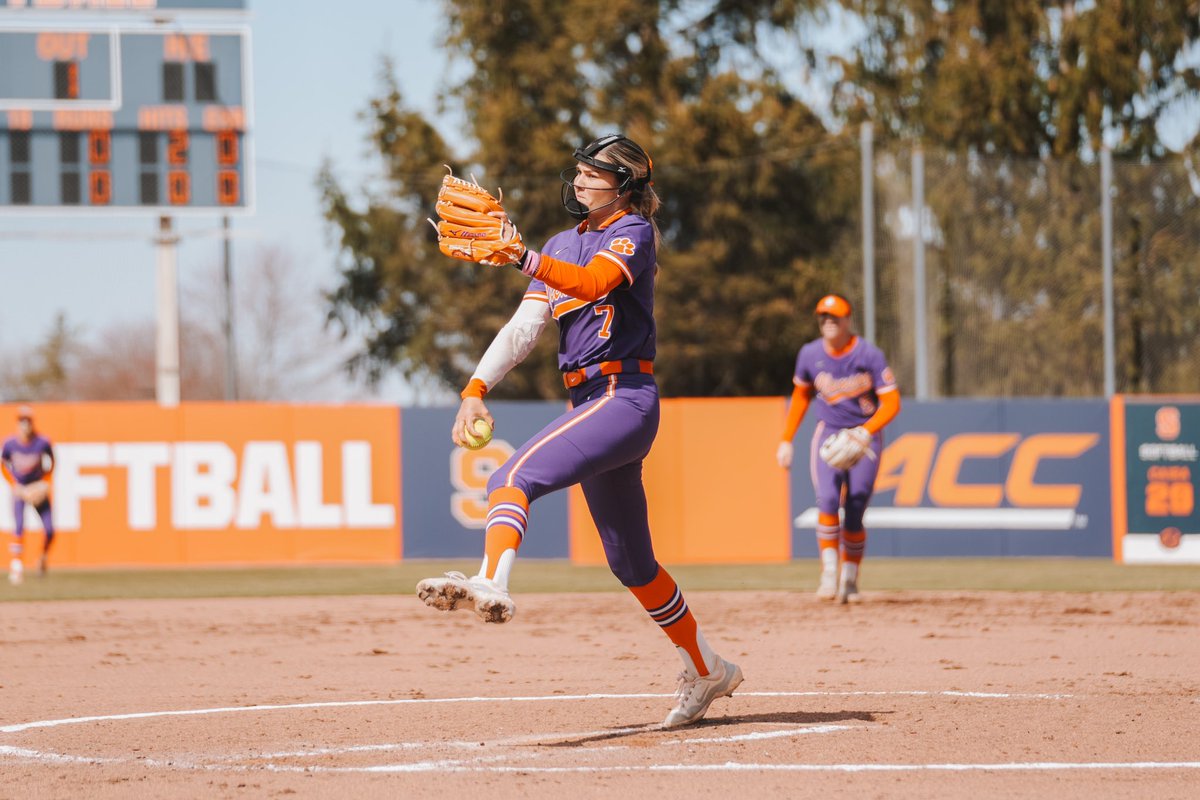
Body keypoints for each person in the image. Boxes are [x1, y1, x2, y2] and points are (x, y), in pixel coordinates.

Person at [417, 133, 743, 728]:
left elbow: (592, 284)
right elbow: (524, 328)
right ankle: (706, 668)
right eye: (579, 171)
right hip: (590, 398)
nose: (580, 180)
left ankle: (491, 579)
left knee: (513, 474)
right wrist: (474, 390)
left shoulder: (633, 232)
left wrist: (522, 258)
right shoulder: (560, 243)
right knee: (631, 564)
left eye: (592, 173)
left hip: (625, 395)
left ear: (625, 185)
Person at [776, 294, 900, 603]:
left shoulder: (868, 354)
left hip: (864, 438)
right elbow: (801, 395)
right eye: (823, 317)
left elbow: (892, 402)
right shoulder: (809, 354)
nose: (829, 323)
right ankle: (828, 574)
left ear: (847, 320)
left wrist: (865, 430)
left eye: (835, 317)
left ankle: (850, 578)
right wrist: (787, 438)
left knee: (856, 509)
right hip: (829, 434)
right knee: (828, 500)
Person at [3, 405, 56, 585]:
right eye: (21, 421)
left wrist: (44, 482)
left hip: (36, 488)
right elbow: (3, 464)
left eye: (28, 421)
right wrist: (14, 485)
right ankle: (16, 566)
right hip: (21, 489)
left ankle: (42, 556)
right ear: (17, 423)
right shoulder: (10, 444)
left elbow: (53, 462)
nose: (25, 424)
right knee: (18, 527)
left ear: (32, 423)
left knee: (49, 529)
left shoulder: (42, 442)